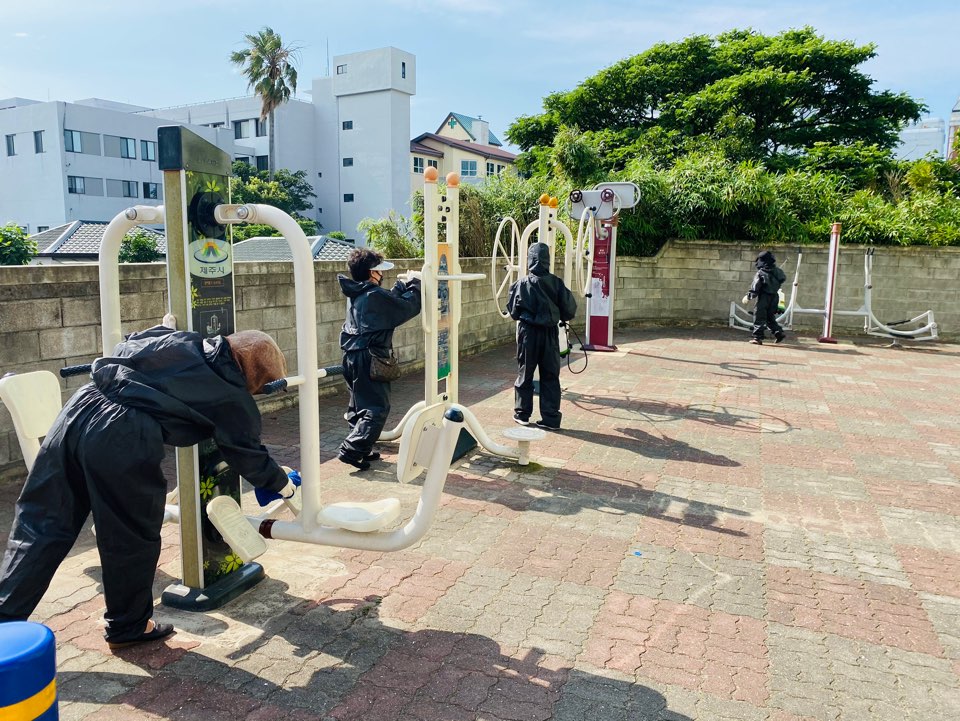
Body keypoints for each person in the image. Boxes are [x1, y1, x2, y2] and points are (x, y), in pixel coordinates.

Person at [0, 322, 298, 649]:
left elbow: (134, 339)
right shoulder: (232, 398)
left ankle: (5, 618)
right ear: (254, 378)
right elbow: (250, 457)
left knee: (40, 521)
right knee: (129, 534)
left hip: (79, 408)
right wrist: (285, 486)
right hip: (124, 434)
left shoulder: (178, 338)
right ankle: (128, 625)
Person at [337, 249, 422, 470]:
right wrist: (416, 284)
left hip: (351, 356)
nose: (381, 275)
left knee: (358, 406)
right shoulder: (373, 295)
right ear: (372, 272)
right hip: (369, 356)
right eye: (379, 271)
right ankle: (352, 449)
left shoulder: (357, 292)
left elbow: (388, 301)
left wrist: (402, 286)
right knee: (376, 407)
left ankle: (363, 450)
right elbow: (406, 306)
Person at [507, 242, 577, 430]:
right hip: (549, 334)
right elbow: (570, 310)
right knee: (550, 375)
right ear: (547, 260)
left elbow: (513, 311)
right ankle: (551, 418)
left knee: (525, 372)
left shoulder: (521, 284)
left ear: (530, 260)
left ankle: (522, 414)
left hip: (528, 333)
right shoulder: (556, 283)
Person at [746, 250, 787, 345]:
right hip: (774, 297)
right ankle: (778, 333)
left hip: (764, 297)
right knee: (769, 317)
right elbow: (782, 279)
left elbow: (755, 287)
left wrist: (749, 296)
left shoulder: (760, 273)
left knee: (759, 317)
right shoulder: (778, 271)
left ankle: (757, 338)